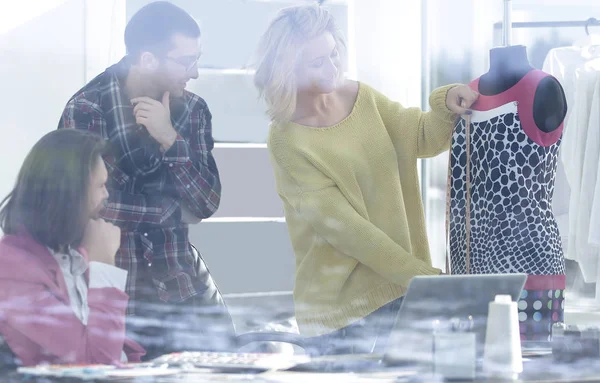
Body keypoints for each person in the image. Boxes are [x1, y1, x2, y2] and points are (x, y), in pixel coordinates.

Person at [253, 4, 479, 356]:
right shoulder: (287, 141)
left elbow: (421, 137)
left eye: (333, 54)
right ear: (288, 70)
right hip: (339, 313)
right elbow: (347, 230)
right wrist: (423, 279)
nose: (332, 67)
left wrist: (444, 103)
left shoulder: (361, 96)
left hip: (400, 288)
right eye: (316, 63)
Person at [58, 1, 233, 359]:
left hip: (180, 283)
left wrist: (169, 138)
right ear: (148, 59)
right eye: (186, 61)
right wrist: (169, 211)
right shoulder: (87, 109)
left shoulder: (194, 111)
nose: (195, 72)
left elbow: (205, 203)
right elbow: (90, 206)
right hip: (116, 287)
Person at [0, 129, 145, 366]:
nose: (106, 195)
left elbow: (114, 351)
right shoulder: (11, 269)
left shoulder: (72, 254)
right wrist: (104, 267)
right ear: (69, 194)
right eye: (100, 186)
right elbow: (96, 367)